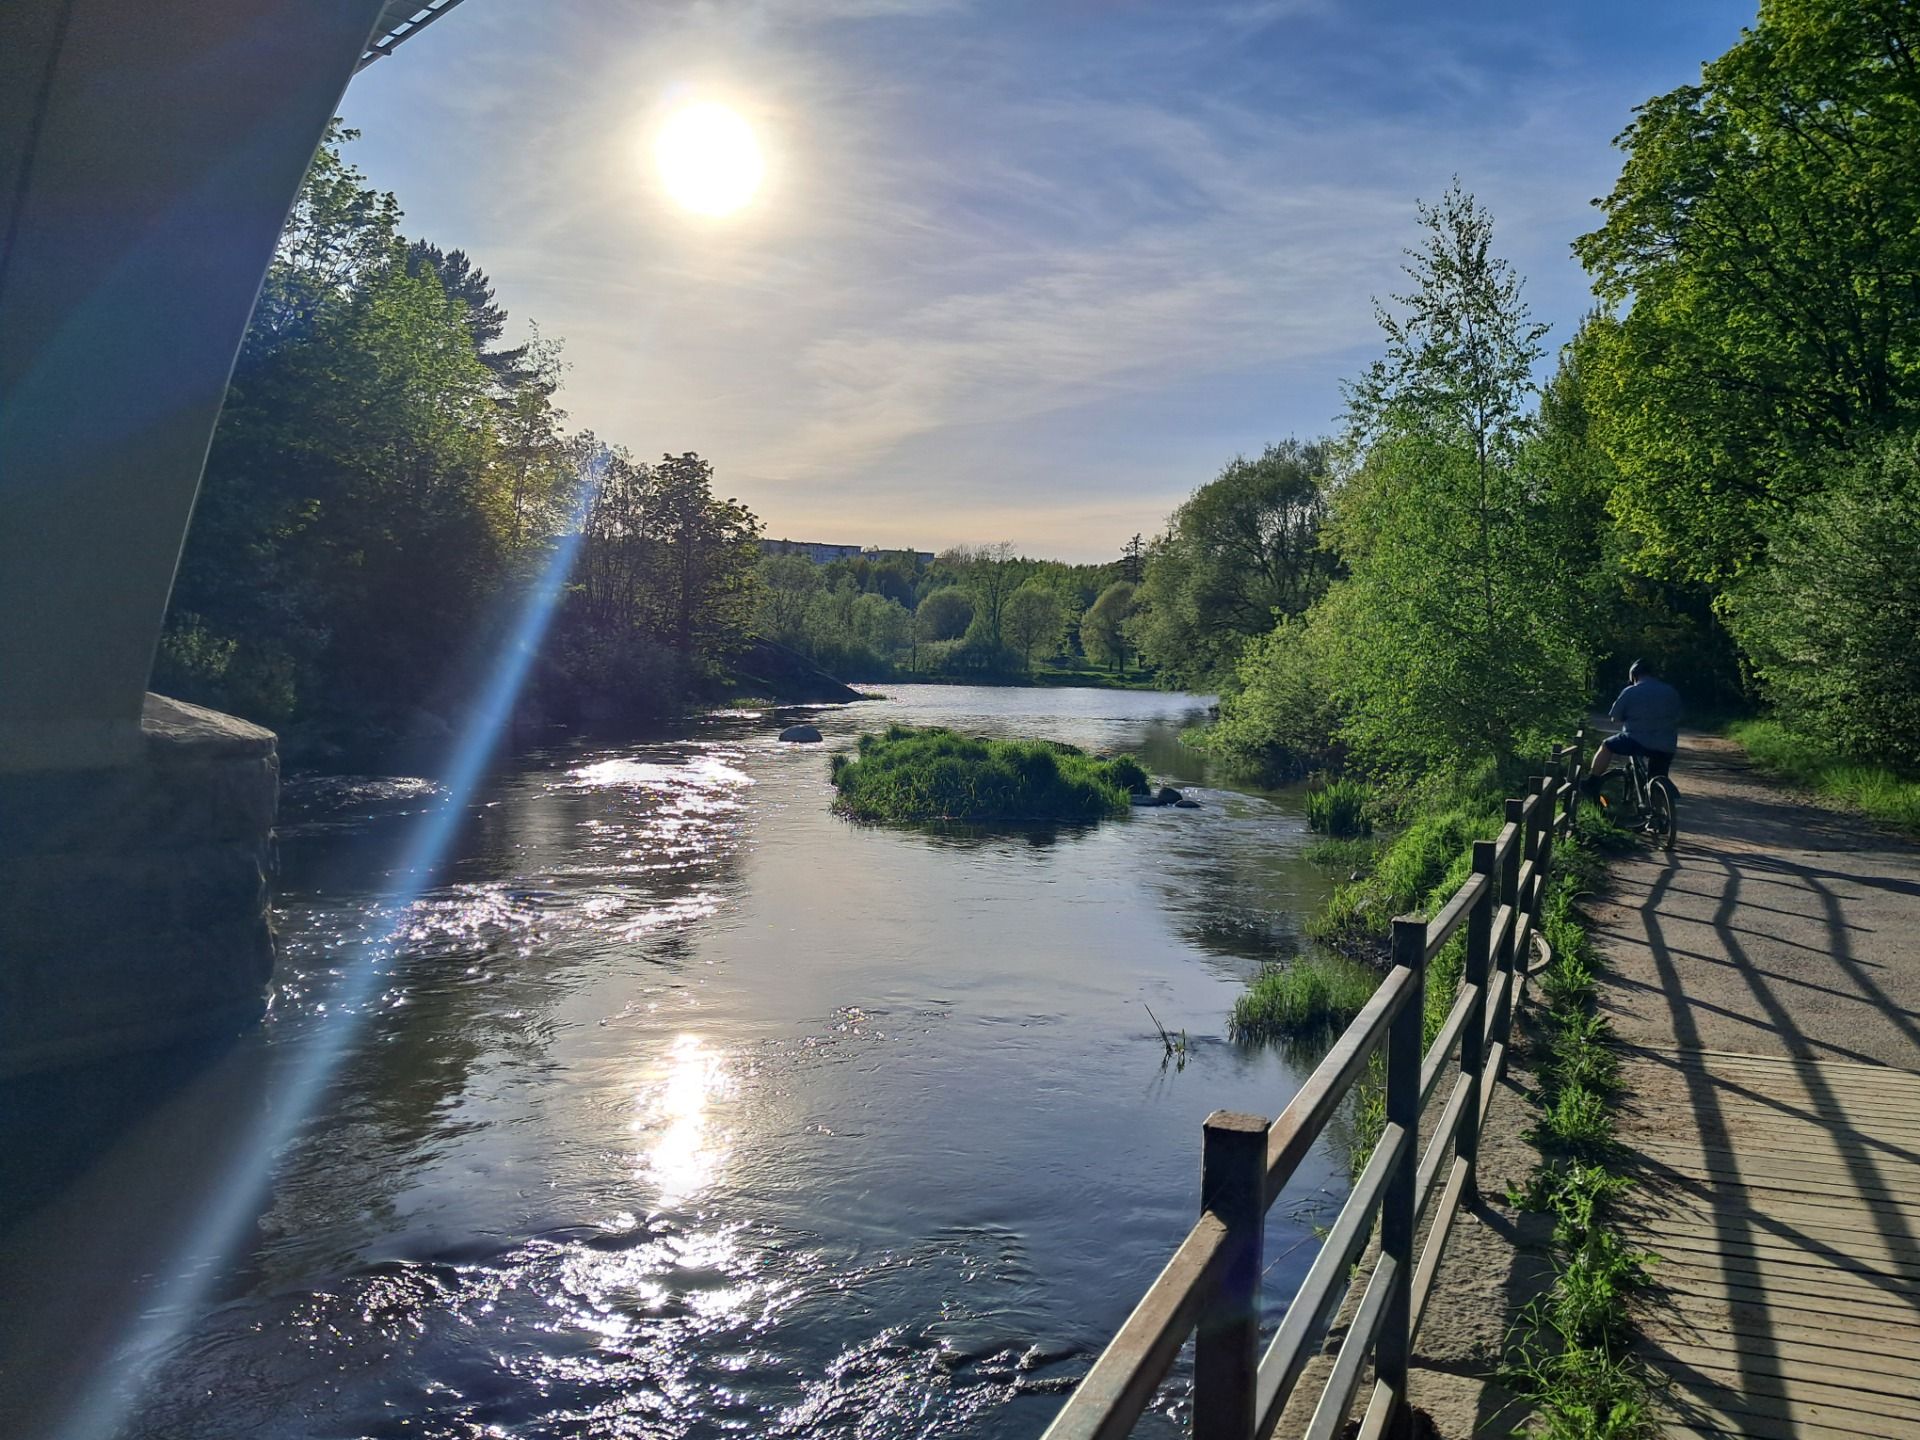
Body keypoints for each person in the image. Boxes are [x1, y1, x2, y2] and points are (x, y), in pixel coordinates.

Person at [1581, 660, 1682, 797]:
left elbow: (1615, 717)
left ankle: (1592, 782)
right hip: (1667, 744)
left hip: (1636, 740)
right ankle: (1660, 809)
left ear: (1633, 675)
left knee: (1607, 746)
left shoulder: (1631, 691)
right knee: (1657, 778)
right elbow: (1678, 716)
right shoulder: (1670, 691)